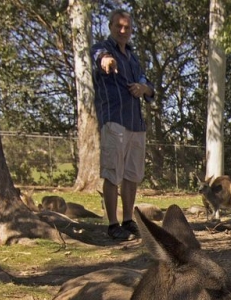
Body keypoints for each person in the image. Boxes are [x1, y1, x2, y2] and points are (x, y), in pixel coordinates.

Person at [91, 8, 154, 241]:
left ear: (131, 30)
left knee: (131, 175)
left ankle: (128, 220)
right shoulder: (102, 48)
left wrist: (143, 89)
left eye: (127, 27)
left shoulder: (134, 58)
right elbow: (100, 58)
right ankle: (112, 223)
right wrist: (107, 62)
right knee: (112, 173)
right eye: (118, 26)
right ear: (111, 27)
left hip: (136, 123)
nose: (122, 30)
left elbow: (148, 85)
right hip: (114, 120)